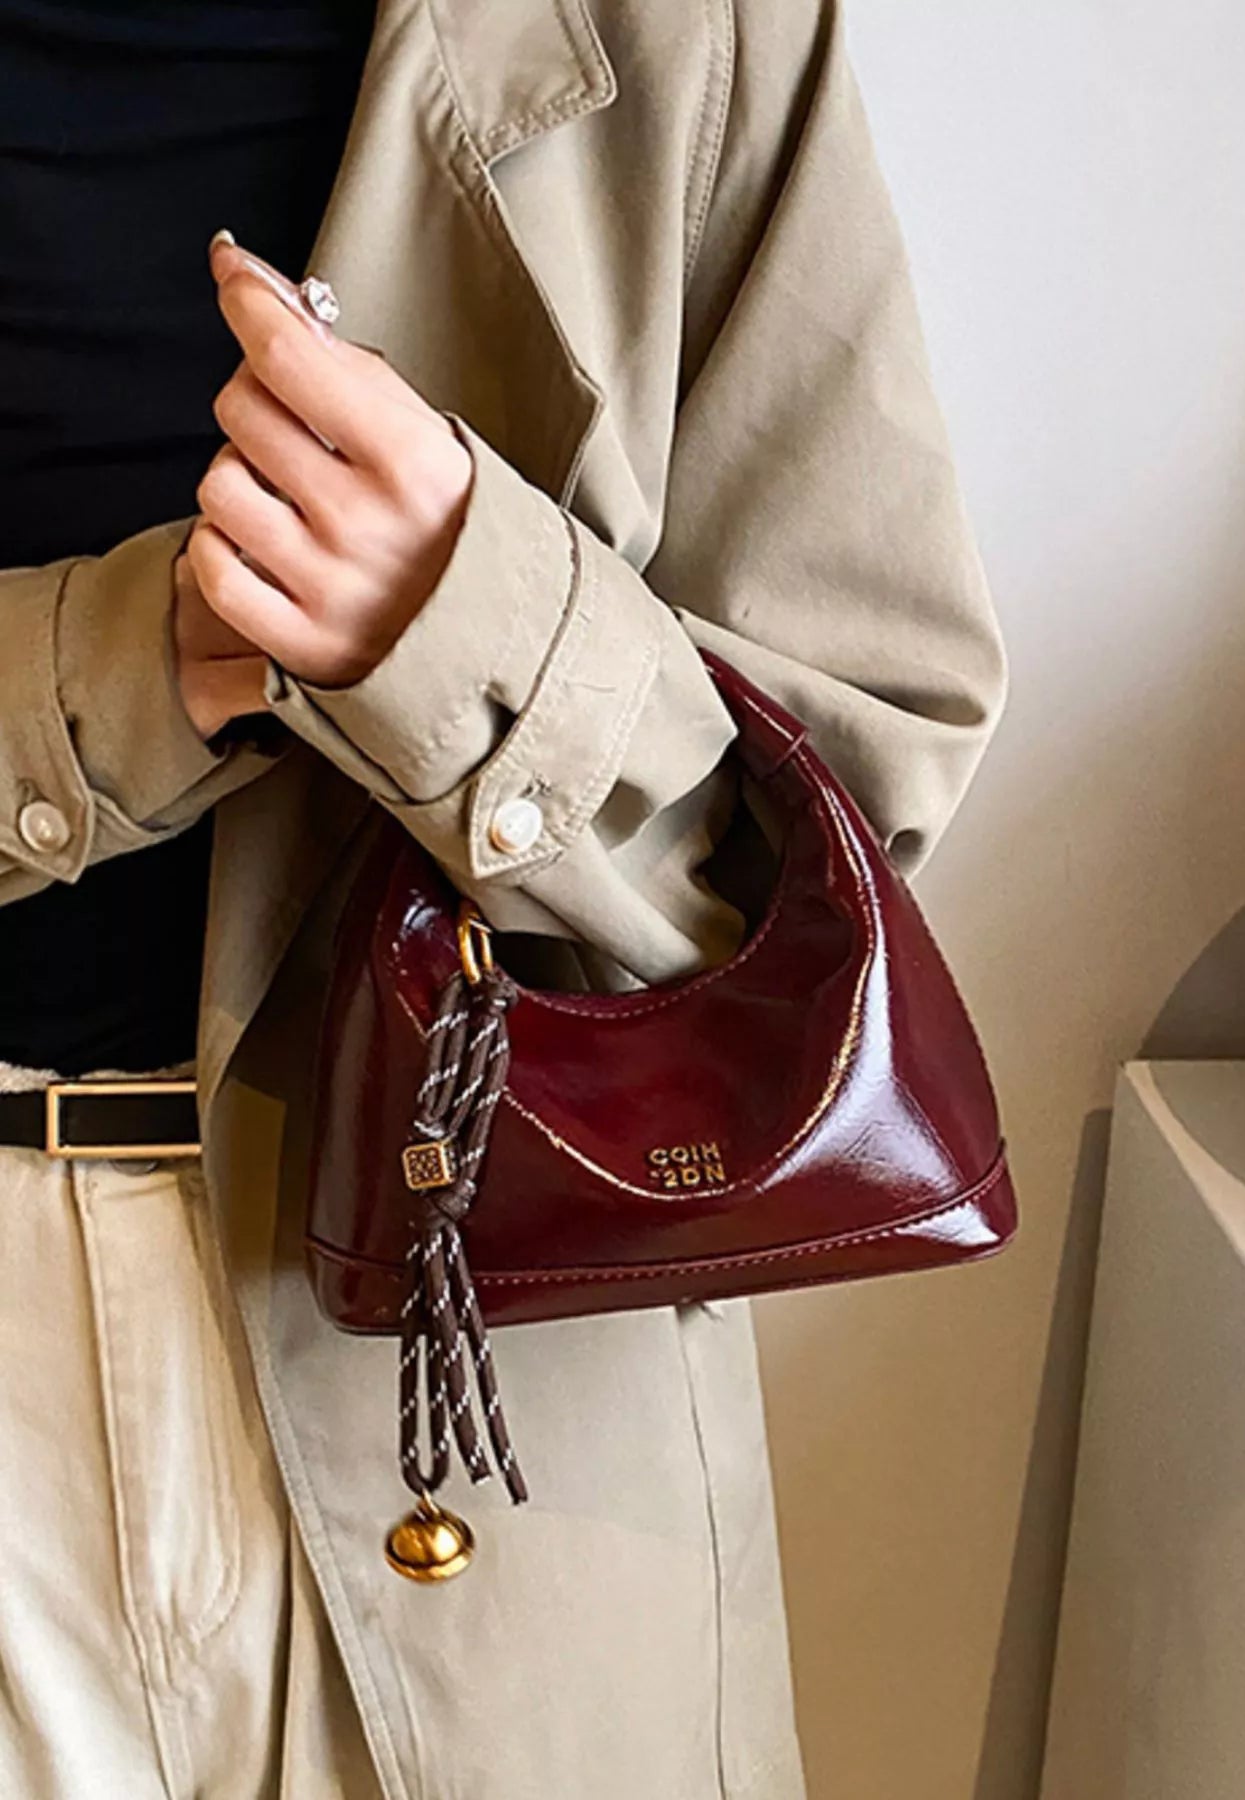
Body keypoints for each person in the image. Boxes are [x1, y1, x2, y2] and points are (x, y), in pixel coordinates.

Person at [0, 0, 1009, 1793]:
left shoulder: (685, 28)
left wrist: (467, 632)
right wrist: (138, 663)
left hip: (479, 1334)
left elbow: (852, 803)